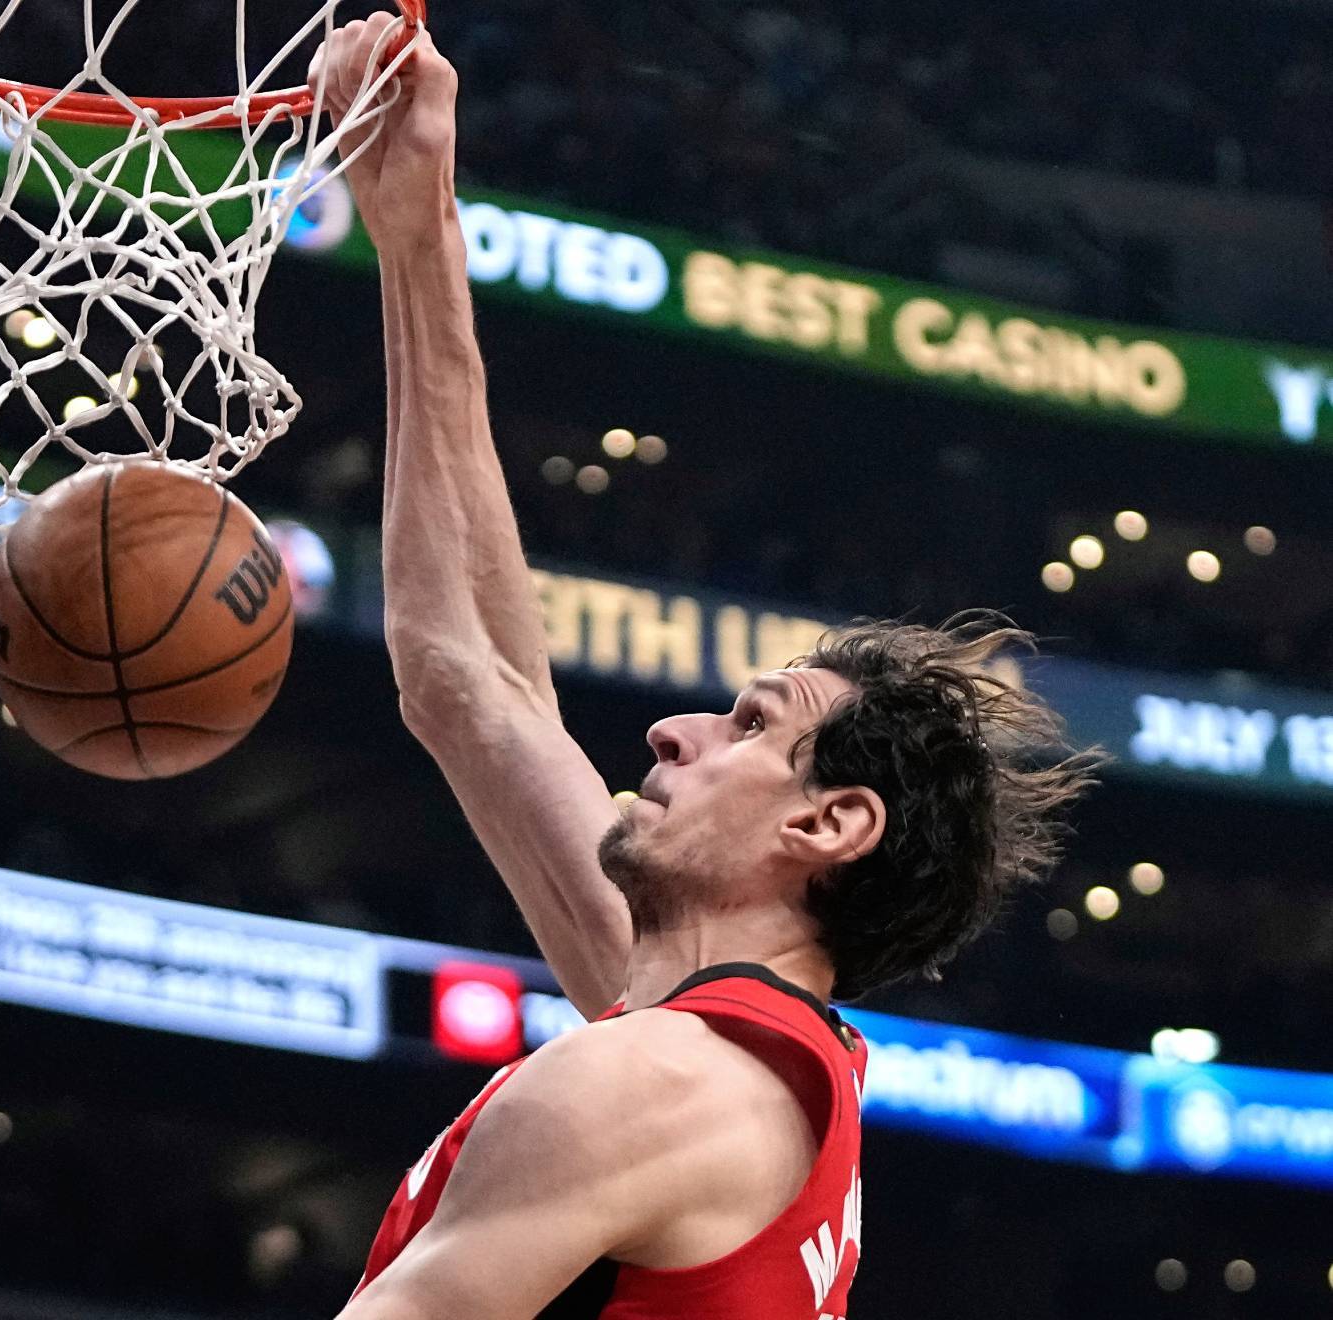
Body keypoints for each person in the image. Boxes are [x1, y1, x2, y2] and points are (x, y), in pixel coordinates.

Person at [311, 16, 1101, 1320]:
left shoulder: (658, 1087)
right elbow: (469, 680)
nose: (674, 731)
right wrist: (417, 233)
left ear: (833, 819)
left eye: (748, 724)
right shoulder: (725, 1043)